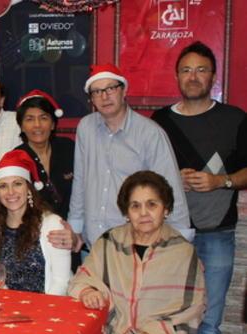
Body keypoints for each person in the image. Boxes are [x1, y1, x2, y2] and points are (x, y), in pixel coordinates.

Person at [150, 41, 247, 334]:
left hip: (217, 234)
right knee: (166, 316)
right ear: (177, 76)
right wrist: (170, 179)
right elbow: (146, 178)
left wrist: (222, 181)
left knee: (208, 322)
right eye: (187, 70)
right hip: (170, 236)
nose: (194, 77)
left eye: (201, 70)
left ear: (213, 76)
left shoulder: (234, 119)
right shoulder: (160, 121)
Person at [68, 171, 205, 334]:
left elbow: (193, 307)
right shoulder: (110, 241)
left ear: (165, 209)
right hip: (115, 333)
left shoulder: (182, 251)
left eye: (152, 204)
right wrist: (88, 290)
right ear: (126, 212)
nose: (143, 213)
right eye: (135, 206)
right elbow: (84, 276)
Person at [68, 64, 193, 253]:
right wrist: (75, 228)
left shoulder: (150, 133)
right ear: (91, 98)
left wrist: (179, 243)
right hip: (93, 243)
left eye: (110, 88)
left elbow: (170, 187)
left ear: (123, 90)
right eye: (97, 91)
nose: (104, 96)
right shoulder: (86, 128)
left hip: (135, 246)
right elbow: (80, 181)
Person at [0, 150, 71, 295]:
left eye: (17, 184)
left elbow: (61, 282)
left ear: (28, 188)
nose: (11, 192)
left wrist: (42, 313)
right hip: (7, 308)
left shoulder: (51, 224)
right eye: (3, 186)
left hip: (47, 308)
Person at [14, 90, 74, 219]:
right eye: (29, 119)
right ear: (22, 126)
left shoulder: (69, 148)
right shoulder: (15, 158)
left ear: (52, 124)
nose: (37, 125)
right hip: (32, 230)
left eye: (43, 118)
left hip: (72, 228)